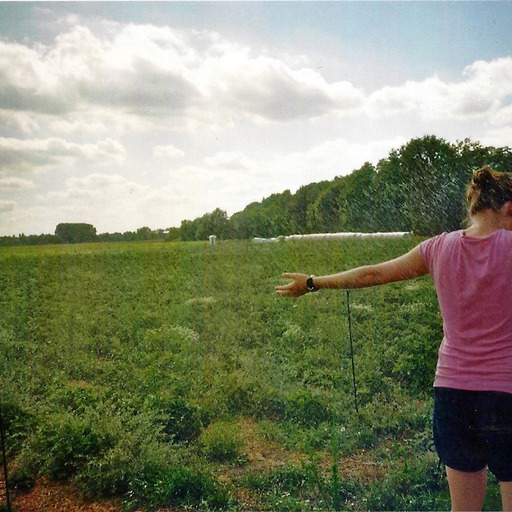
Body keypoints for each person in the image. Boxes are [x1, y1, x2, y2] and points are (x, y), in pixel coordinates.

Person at [275, 166, 512, 512]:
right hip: (505, 394)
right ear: (509, 209)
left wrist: (312, 282)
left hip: (452, 394)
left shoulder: (437, 248)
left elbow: (373, 273)